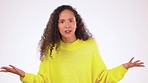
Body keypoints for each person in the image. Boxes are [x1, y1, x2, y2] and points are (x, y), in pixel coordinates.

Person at [0, 5, 145, 83]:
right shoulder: (51, 50)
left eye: (71, 20)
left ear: (77, 23)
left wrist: (123, 68)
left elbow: (101, 79)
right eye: (62, 21)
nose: (67, 25)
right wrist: (23, 75)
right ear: (56, 25)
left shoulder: (90, 45)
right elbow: (42, 81)